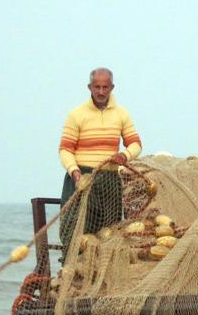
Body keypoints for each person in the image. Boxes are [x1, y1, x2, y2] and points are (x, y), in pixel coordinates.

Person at [58, 67, 142, 255]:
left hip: (110, 180)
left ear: (112, 87)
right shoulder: (76, 114)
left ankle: (103, 273)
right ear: (90, 87)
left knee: (109, 231)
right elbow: (65, 149)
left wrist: (125, 156)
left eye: (106, 87)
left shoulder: (122, 114)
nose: (101, 92)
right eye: (97, 87)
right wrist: (75, 172)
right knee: (73, 229)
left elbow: (135, 144)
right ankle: (71, 269)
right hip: (82, 179)